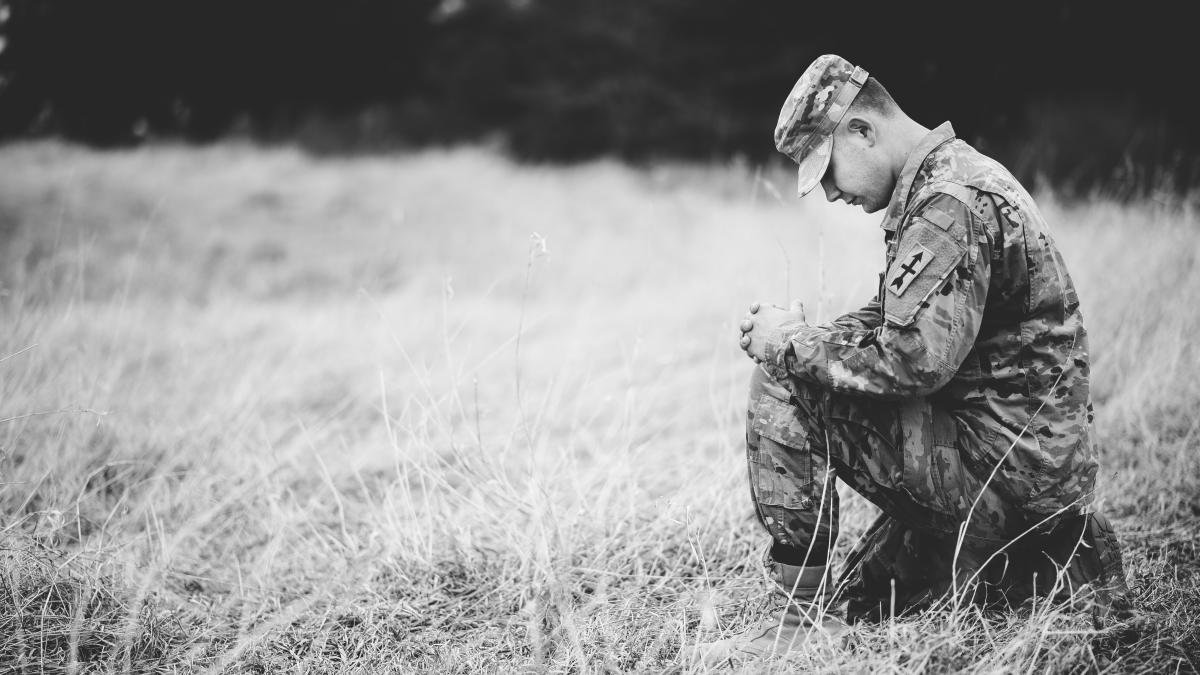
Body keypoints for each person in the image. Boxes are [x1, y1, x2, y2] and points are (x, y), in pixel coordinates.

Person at [698, 54, 1133, 665]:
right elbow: (891, 318)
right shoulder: (945, 180)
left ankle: (796, 628)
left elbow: (914, 362)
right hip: (1020, 472)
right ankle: (1034, 563)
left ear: (862, 130)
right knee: (864, 601)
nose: (826, 190)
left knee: (782, 383)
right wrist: (808, 333)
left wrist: (788, 348)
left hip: (997, 476)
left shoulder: (948, 201)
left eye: (826, 169)